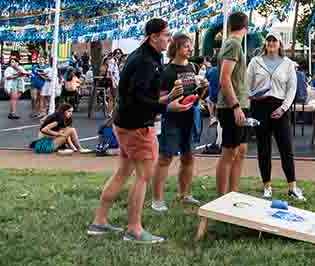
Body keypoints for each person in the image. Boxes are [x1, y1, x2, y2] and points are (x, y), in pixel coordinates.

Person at [89, 18, 188, 244]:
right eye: (165, 35)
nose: (169, 39)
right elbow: (139, 99)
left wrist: (169, 96)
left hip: (125, 122)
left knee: (123, 173)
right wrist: (167, 105)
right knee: (143, 176)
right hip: (137, 126)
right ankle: (134, 229)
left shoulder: (145, 56)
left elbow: (141, 96)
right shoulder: (145, 60)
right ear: (153, 37)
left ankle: (100, 221)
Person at [248, 33, 306, 202]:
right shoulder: (255, 62)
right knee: (263, 149)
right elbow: (247, 84)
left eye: (275, 40)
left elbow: (291, 89)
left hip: (280, 108)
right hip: (260, 108)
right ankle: (267, 186)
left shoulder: (288, 64)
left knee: (286, 148)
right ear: (265, 43)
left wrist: (283, 108)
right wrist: (252, 97)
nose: (271, 43)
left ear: (280, 43)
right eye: (269, 40)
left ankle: (293, 187)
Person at [151, 33, 203, 212]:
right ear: (176, 48)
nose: (189, 49)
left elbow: (197, 97)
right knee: (165, 157)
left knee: (189, 156)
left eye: (190, 46)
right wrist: (171, 99)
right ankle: (157, 199)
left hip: (190, 118)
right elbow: (160, 99)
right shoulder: (167, 71)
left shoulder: (194, 67)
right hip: (172, 119)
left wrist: (202, 89)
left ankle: (185, 194)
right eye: (186, 46)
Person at [216, 12, 250, 197]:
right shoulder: (233, 44)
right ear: (246, 27)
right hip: (231, 106)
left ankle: (234, 193)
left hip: (241, 103)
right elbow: (224, 78)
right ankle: (221, 199)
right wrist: (236, 107)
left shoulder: (233, 44)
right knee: (229, 151)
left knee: (241, 149)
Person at [203, 55, 222, 155]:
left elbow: (205, 82)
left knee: (208, 101)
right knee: (221, 123)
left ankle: (212, 117)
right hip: (221, 97)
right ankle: (218, 143)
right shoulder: (222, 69)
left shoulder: (211, 71)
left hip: (214, 98)